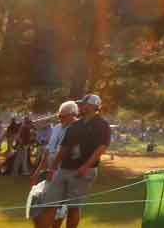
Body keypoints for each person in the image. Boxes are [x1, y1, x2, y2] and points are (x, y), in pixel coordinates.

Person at [36, 94, 109, 228]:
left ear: (92, 106)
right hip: (64, 169)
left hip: (83, 171)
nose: (80, 107)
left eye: (83, 104)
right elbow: (64, 147)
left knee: (73, 207)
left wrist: (86, 166)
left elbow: (101, 148)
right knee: (49, 204)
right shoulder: (75, 125)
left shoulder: (102, 125)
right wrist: (53, 168)